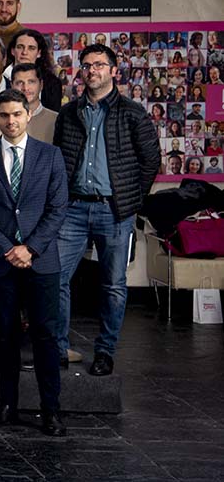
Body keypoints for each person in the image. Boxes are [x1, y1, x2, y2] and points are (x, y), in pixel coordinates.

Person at [0, 90, 69, 436]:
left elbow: (58, 209)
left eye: (17, 114)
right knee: (5, 337)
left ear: (28, 116)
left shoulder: (50, 156)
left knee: (46, 337)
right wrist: (8, 248)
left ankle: (50, 409)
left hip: (42, 263)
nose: (11, 121)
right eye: (4, 115)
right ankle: (6, 404)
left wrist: (31, 249)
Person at [53, 44, 160, 376]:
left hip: (114, 211)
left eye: (99, 64)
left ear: (114, 70)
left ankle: (105, 351)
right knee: (56, 278)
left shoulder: (132, 113)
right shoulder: (69, 113)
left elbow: (150, 160)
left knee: (113, 284)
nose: (91, 70)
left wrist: (129, 199)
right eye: (86, 65)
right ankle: (57, 348)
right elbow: (60, 159)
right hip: (73, 208)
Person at [7, 29, 63, 112]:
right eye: (20, 47)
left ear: (39, 53)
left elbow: (52, 117)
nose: (25, 52)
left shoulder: (52, 82)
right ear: (12, 51)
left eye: (31, 48)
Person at [11, 63, 58, 143]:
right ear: (12, 86)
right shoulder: (2, 121)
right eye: (20, 83)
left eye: (31, 82)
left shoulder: (57, 120)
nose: (25, 88)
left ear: (41, 85)